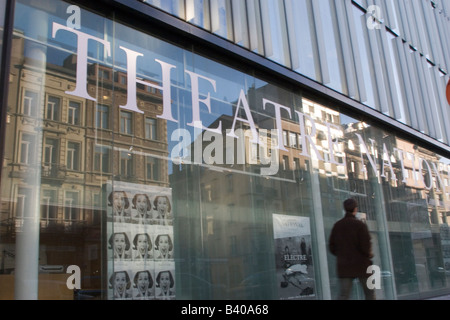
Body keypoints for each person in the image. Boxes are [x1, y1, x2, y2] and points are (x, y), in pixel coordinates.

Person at [328, 198, 376, 300]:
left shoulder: (337, 226)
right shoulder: (360, 225)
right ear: (355, 209)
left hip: (344, 265)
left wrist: (342, 254)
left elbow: (332, 247)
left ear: (345, 209)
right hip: (362, 265)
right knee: (369, 293)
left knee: (344, 295)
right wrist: (369, 254)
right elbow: (366, 246)